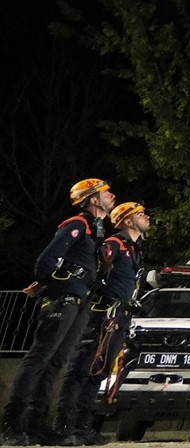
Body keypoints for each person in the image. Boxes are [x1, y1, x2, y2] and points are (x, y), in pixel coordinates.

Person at [0, 178, 116, 447]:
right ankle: (11, 424)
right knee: (39, 359)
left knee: (55, 363)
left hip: (78, 304)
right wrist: (47, 284)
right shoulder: (77, 225)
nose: (112, 195)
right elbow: (46, 260)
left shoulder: (94, 231)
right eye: (106, 192)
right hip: (62, 301)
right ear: (93, 199)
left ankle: (36, 423)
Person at [54, 202, 150, 446]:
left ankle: (83, 426)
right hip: (101, 316)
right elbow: (95, 275)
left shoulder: (135, 249)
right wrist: (105, 299)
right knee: (81, 368)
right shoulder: (114, 244)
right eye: (140, 214)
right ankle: (63, 426)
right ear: (127, 221)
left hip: (119, 319)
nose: (146, 217)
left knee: (101, 372)